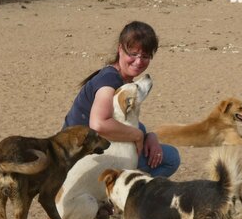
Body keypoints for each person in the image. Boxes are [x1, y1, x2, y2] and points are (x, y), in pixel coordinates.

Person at [62, 20, 180, 178]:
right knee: (171, 158)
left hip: (79, 147)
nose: (138, 62)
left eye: (145, 56)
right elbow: (98, 124)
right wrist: (138, 136)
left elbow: (121, 119)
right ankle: (130, 195)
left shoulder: (120, 78)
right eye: (133, 54)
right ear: (120, 49)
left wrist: (149, 136)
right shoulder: (109, 81)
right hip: (78, 156)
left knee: (144, 134)